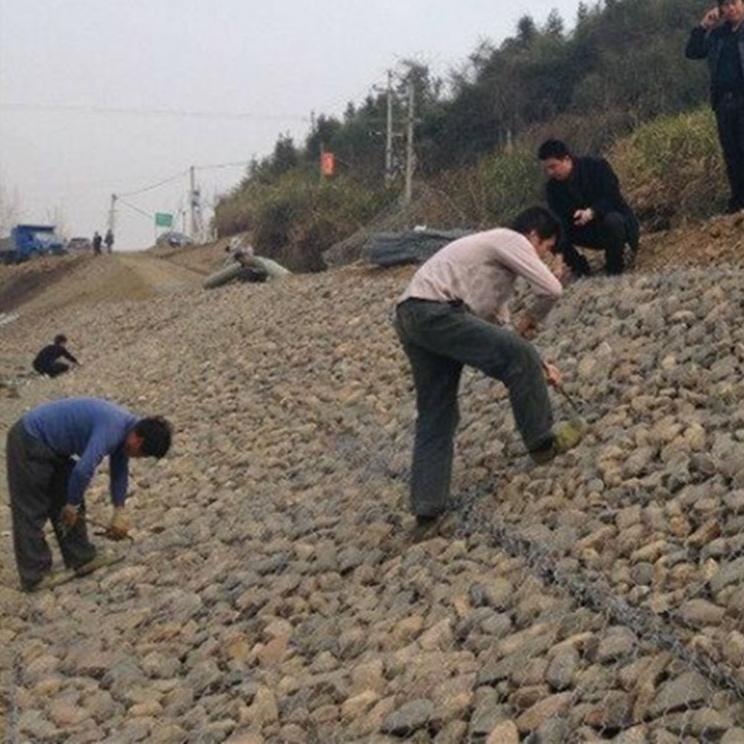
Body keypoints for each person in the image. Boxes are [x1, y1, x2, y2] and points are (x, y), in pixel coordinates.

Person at [393, 206, 586, 528]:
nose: (543, 255)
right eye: (546, 247)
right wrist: (533, 317)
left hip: (411, 316)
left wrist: (541, 366)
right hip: (437, 311)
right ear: (534, 235)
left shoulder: (489, 267)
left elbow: (505, 335)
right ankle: (543, 442)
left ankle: (427, 507)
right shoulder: (510, 239)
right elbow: (551, 290)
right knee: (519, 357)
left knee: (437, 413)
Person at [5, 397, 172, 591]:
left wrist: (119, 509)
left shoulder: (128, 432)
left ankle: (81, 557)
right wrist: (72, 504)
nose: (140, 457)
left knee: (67, 497)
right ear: (138, 440)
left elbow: (119, 471)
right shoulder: (113, 428)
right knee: (31, 509)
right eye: (143, 454)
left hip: (55, 448)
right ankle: (35, 576)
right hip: (30, 439)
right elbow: (83, 470)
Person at [538, 139, 640, 277]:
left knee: (613, 220)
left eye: (553, 166)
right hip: (584, 230)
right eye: (547, 169)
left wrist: (592, 212)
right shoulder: (552, 188)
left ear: (566, 159)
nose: (550, 172)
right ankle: (580, 268)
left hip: (614, 222)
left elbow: (613, 197)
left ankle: (615, 266)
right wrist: (558, 258)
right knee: (553, 232)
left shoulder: (596, 166)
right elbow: (558, 220)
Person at [686, 1, 744, 213]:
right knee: (731, 153)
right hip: (723, 103)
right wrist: (703, 27)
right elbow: (692, 52)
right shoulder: (718, 35)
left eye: (734, 3)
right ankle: (738, 201)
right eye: (725, 5)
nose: (731, 8)